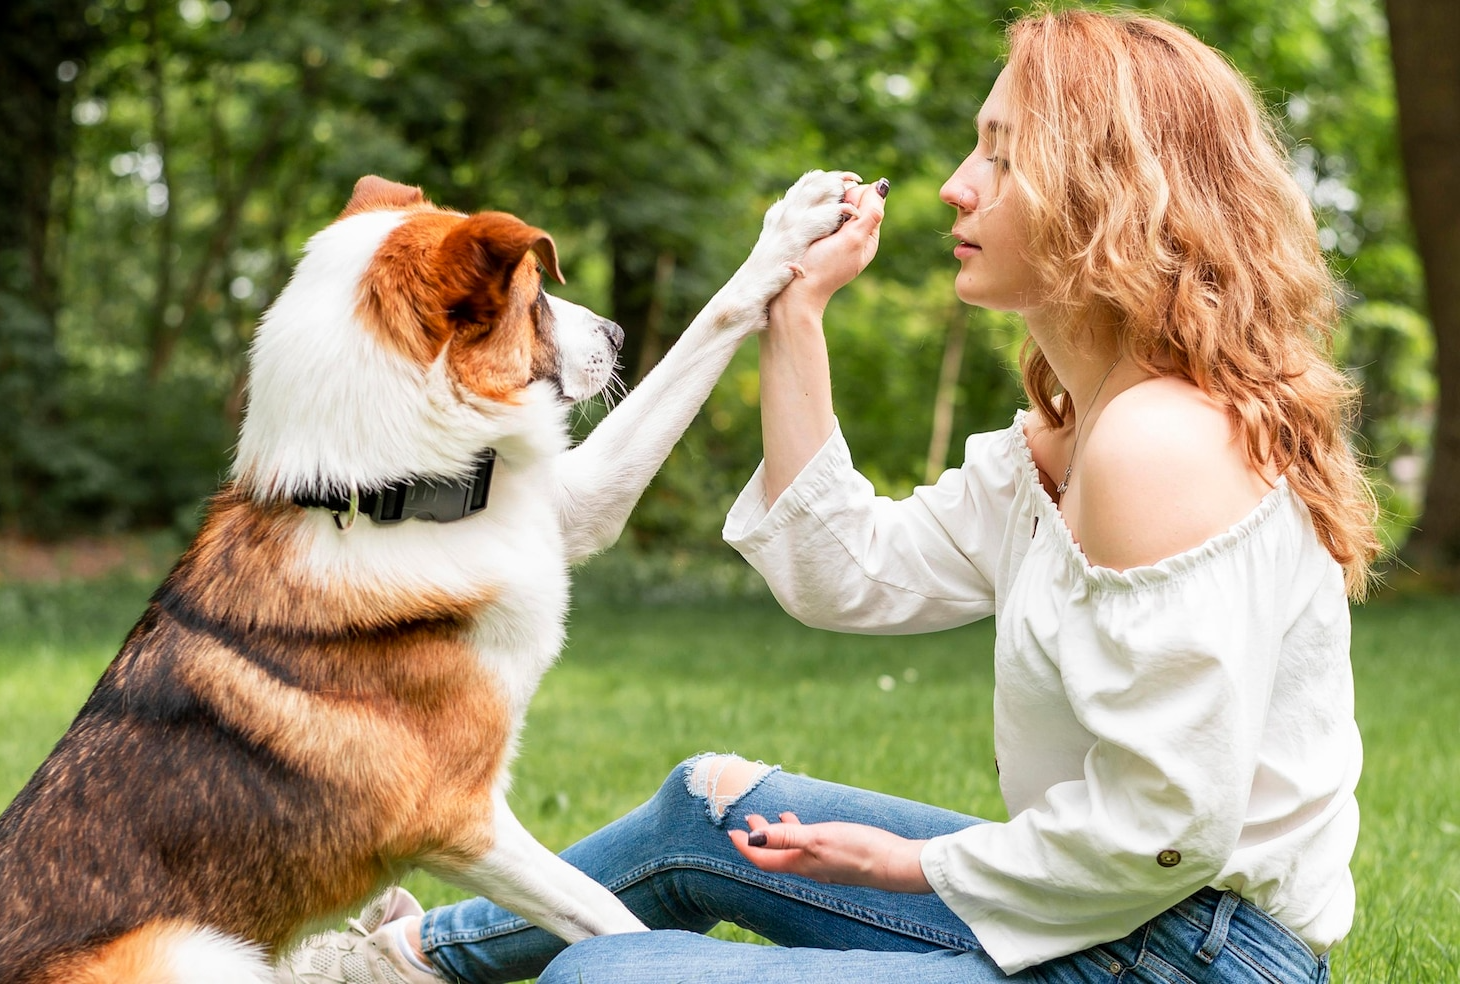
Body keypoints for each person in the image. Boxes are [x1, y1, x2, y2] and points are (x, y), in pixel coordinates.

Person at [279, 7, 1380, 983]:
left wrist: (911, 865)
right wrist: (793, 315)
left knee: (612, 979)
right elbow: (845, 575)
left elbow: (1168, 829)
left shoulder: (1158, 446)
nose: (956, 182)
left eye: (1001, 156)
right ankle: (399, 964)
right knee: (701, 815)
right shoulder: (1070, 435)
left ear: (1111, 194)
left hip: (1190, 959)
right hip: (1105, 920)